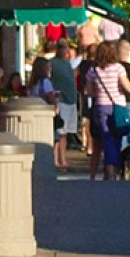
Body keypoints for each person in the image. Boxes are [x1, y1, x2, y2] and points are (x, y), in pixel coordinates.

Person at [82, 40, 130, 181]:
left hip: (100, 108)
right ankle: (111, 168)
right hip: (117, 106)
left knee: (106, 137)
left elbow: (89, 91)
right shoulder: (118, 68)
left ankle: (110, 168)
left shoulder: (93, 70)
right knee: (117, 137)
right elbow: (128, 87)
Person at [49, 39, 81, 170]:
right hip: (60, 101)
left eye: (65, 47)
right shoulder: (52, 63)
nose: (64, 50)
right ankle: (56, 159)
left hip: (70, 100)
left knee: (65, 133)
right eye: (61, 47)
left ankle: (63, 158)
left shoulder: (68, 63)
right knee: (58, 132)